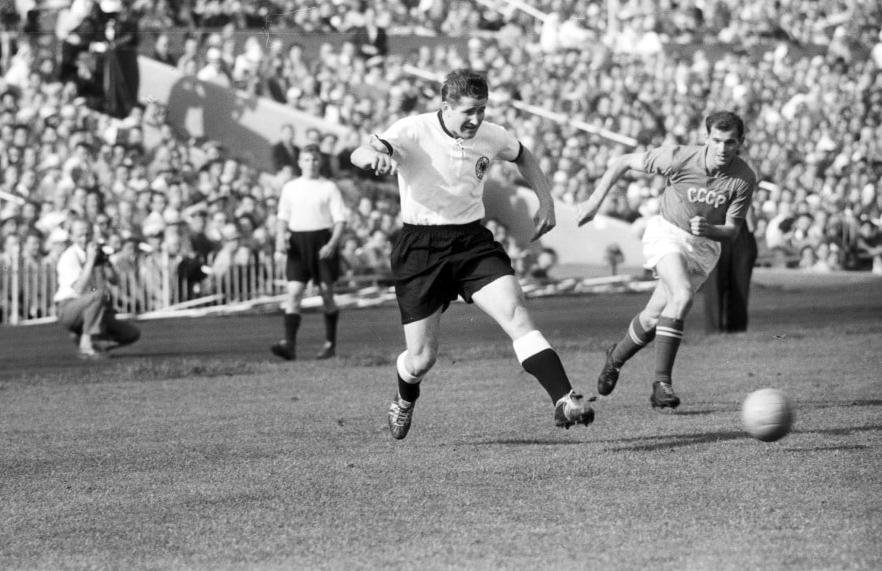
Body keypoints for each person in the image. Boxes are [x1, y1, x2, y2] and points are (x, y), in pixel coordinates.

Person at [349, 69, 594, 440]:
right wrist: (373, 157)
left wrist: (547, 202)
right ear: (446, 107)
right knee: (421, 359)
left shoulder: (491, 134)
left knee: (516, 312)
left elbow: (524, 157)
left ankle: (564, 398)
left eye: (481, 109)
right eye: (468, 111)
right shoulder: (413, 129)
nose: (476, 119)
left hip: (471, 243)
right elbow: (362, 151)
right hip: (421, 248)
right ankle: (404, 397)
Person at [576, 111, 757, 409]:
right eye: (717, 141)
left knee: (651, 318)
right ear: (706, 138)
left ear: (740, 143)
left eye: (730, 142)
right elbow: (622, 162)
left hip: (704, 249)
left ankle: (615, 358)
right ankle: (662, 384)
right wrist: (594, 202)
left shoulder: (743, 178)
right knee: (682, 294)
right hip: (668, 233)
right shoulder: (678, 158)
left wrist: (711, 229)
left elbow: (734, 231)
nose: (723, 149)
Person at [270, 145, 348, 361]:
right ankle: (289, 344)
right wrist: (279, 239)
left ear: (319, 161)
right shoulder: (291, 187)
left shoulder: (329, 187)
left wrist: (332, 244)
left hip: (322, 240)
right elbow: (282, 216)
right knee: (294, 292)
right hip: (297, 241)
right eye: (306, 159)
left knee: (326, 294)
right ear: (300, 162)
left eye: (314, 159)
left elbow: (340, 219)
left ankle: (330, 344)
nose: (310, 163)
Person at [53, 218, 140, 359]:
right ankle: (86, 343)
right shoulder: (69, 257)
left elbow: (114, 281)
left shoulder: (95, 252)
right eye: (80, 235)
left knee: (131, 333)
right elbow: (79, 288)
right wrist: (90, 261)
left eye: (87, 234)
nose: (84, 238)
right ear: (72, 237)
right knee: (98, 295)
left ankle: (94, 342)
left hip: (92, 307)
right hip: (68, 307)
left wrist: (106, 263)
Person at [702, 206, 758, 333]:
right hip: (713, 230)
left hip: (740, 231)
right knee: (713, 285)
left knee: (740, 284)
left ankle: (737, 329)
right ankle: (714, 331)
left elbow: (753, 224)